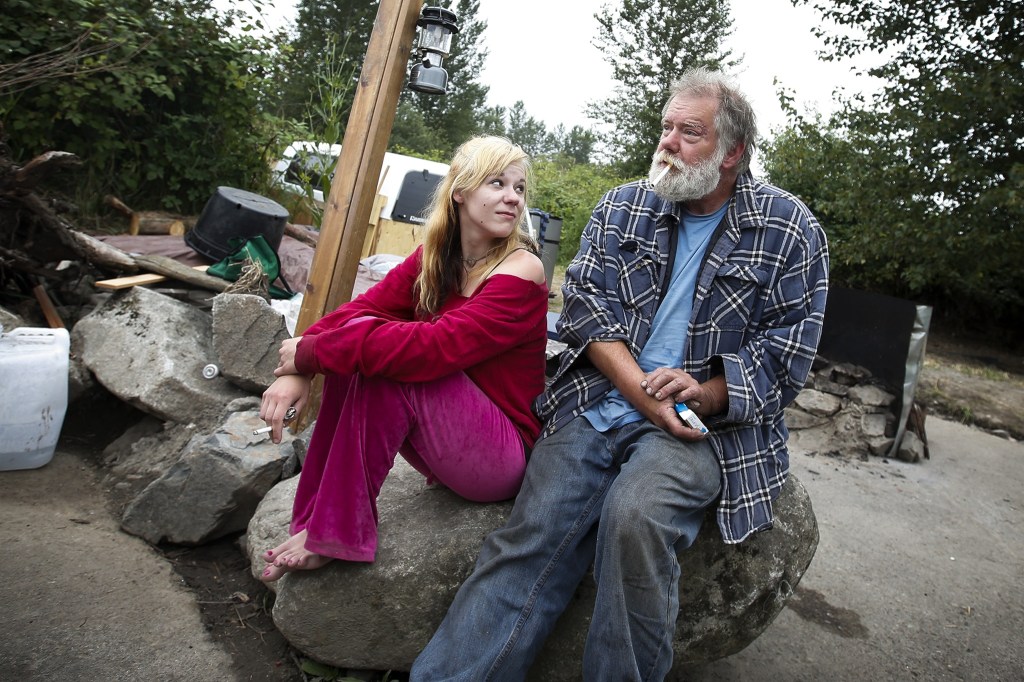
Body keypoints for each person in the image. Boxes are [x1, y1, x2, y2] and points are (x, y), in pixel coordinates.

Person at [411, 68, 829, 680]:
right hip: (599, 397)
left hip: (700, 426)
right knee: (534, 530)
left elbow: (788, 354)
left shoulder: (791, 229)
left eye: (690, 132)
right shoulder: (623, 205)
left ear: (734, 151)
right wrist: (638, 388)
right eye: (666, 127)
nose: (668, 143)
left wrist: (707, 391)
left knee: (636, 518)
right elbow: (582, 303)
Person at [257, 135, 549, 582]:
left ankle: (337, 530)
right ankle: (318, 521)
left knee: (394, 359)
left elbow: (435, 347)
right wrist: (300, 367)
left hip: (500, 456)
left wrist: (312, 354)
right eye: (497, 183)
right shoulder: (435, 258)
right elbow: (360, 311)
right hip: (445, 445)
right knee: (366, 346)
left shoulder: (521, 270)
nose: (513, 197)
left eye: (519, 188)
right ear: (461, 191)